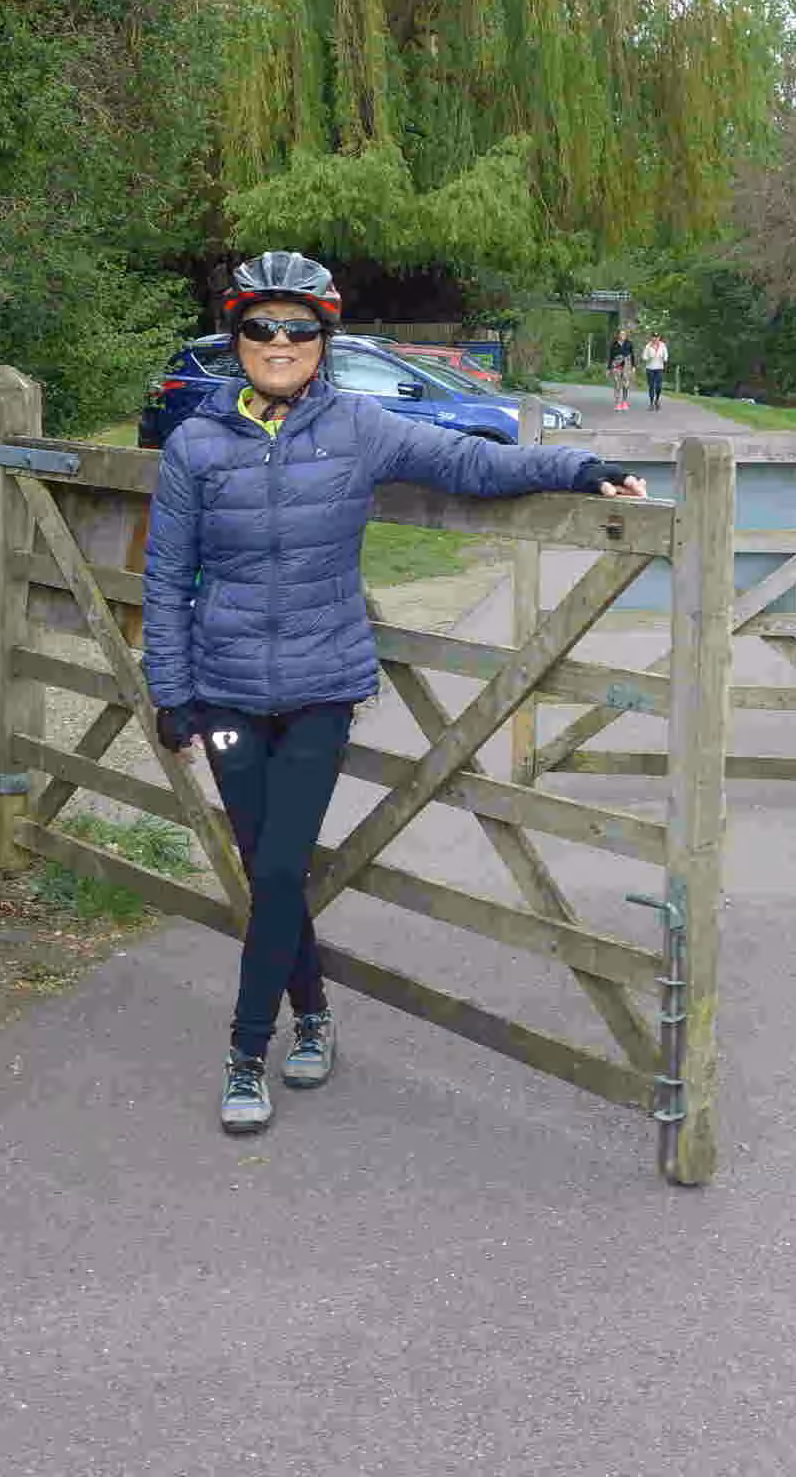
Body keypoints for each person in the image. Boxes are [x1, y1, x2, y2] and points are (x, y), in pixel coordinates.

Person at [142, 252, 648, 1134]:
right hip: (224, 688)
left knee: (277, 869)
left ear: (324, 340)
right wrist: (171, 691)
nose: (279, 342)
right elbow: (163, 576)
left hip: (321, 685)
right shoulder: (196, 443)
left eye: (299, 328)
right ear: (237, 337)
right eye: (261, 326)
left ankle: (245, 1052)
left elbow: (470, 462)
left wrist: (579, 467)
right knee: (269, 873)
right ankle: (314, 1014)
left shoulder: (360, 427)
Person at [607, 327, 637, 411]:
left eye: (624, 334)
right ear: (618, 335)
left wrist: (633, 366)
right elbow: (611, 356)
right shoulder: (614, 344)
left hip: (626, 366)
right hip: (616, 365)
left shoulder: (629, 343)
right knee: (617, 384)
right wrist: (609, 368)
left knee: (625, 384)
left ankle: (624, 402)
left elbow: (632, 355)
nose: (622, 335)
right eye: (621, 334)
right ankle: (617, 403)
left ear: (626, 335)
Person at [639, 331, 671, 410]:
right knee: (651, 386)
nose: (655, 339)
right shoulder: (648, 346)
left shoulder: (663, 345)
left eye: (657, 337)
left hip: (659, 368)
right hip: (650, 368)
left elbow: (666, 355)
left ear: (659, 338)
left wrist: (665, 359)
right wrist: (648, 358)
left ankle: (657, 400)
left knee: (658, 386)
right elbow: (644, 356)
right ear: (651, 338)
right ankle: (651, 403)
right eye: (654, 337)